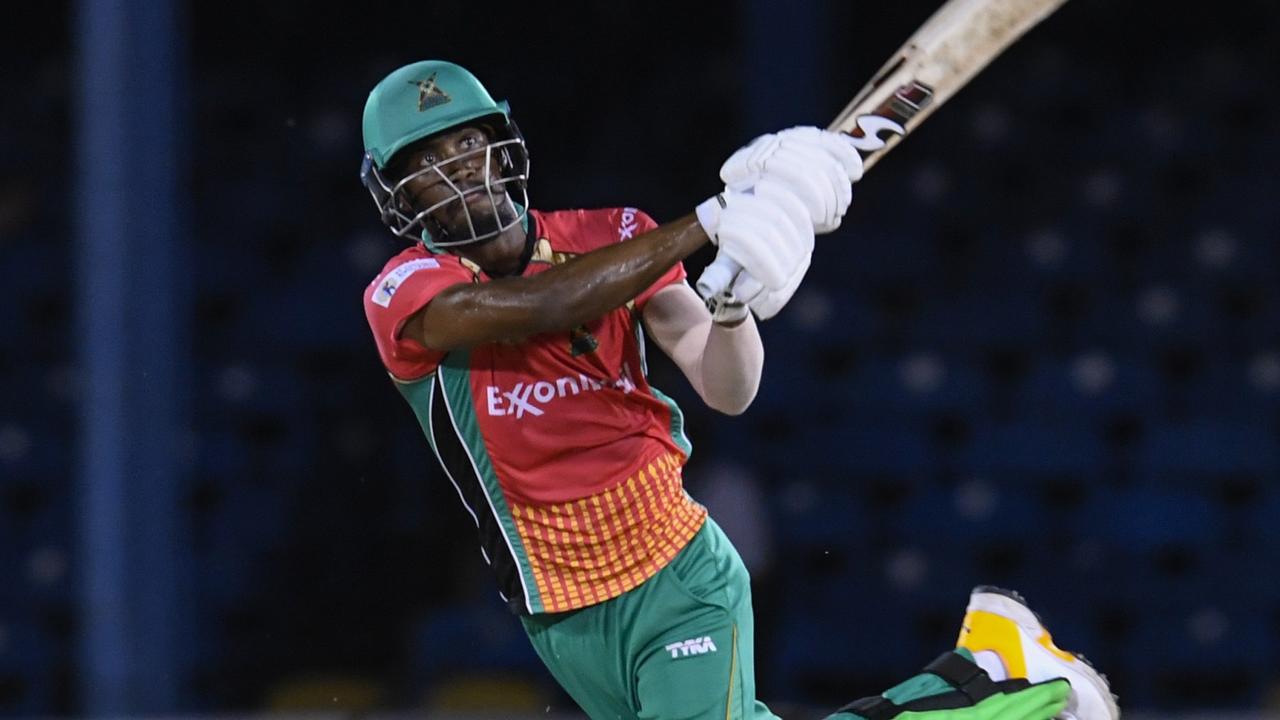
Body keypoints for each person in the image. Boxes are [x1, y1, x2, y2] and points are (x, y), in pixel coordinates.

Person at [359, 60, 1118, 720]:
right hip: (557, 610)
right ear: (398, 193)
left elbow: (729, 391)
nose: (459, 166)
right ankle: (989, 672)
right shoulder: (405, 293)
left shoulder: (613, 231)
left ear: (504, 144)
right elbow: (542, 305)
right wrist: (715, 218)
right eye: (429, 159)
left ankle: (1004, 684)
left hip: (673, 575)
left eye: (468, 141)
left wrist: (731, 308)